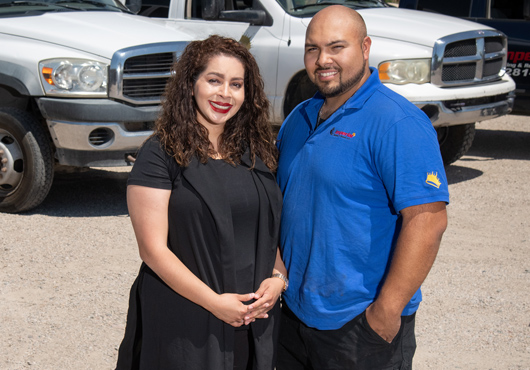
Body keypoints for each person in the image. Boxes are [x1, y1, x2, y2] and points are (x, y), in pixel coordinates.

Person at [275, 5, 449, 370]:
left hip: (360, 324)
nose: (323, 59)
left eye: (337, 47)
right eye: (313, 48)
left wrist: (385, 312)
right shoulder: (299, 117)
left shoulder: (397, 122)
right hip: (293, 317)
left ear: (365, 47)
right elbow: (283, 203)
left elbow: (428, 221)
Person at [115, 35, 287, 370]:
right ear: (190, 84)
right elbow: (153, 251)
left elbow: (267, 230)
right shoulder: (160, 153)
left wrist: (278, 277)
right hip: (188, 320)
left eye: (236, 84)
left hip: (252, 318)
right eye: (214, 80)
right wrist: (215, 303)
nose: (226, 93)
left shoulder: (257, 152)